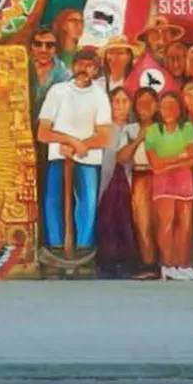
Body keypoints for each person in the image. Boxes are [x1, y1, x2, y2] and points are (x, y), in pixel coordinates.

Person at [36, 49, 112, 254]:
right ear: (73, 66)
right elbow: (43, 132)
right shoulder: (58, 91)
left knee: (87, 203)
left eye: (89, 65)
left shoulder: (99, 96)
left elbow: (104, 135)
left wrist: (81, 146)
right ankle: (56, 247)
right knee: (53, 201)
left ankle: (83, 249)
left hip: (88, 160)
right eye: (80, 64)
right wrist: (69, 141)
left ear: (95, 69)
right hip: (58, 156)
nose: (83, 69)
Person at [145, 91, 193, 281]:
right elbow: (154, 164)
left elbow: (192, 158)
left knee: (185, 225)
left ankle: (183, 265)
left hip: (184, 181)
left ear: (180, 109)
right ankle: (167, 265)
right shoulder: (153, 130)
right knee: (166, 224)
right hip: (162, 184)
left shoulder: (186, 128)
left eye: (173, 106)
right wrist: (179, 158)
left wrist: (167, 163)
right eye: (164, 106)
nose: (169, 110)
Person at [96, 87, 137, 276]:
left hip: (128, 181)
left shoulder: (135, 129)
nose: (121, 106)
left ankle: (127, 259)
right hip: (109, 180)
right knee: (108, 218)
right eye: (116, 101)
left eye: (125, 101)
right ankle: (107, 260)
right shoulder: (104, 129)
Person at [118, 87, 159, 279]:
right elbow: (121, 157)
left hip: (161, 176)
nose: (146, 107)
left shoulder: (163, 128)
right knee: (142, 222)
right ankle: (147, 263)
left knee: (161, 222)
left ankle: (165, 262)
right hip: (139, 176)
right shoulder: (130, 130)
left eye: (150, 102)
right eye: (141, 103)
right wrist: (139, 139)